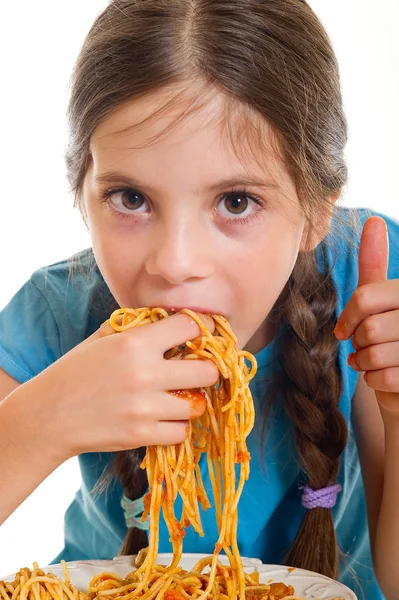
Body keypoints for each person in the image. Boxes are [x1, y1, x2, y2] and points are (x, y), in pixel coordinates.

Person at [0, 0, 398, 598]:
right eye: (130, 198)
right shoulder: (56, 309)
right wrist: (40, 423)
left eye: (236, 201)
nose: (175, 263)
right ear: (81, 191)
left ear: (318, 211)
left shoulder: (368, 282)